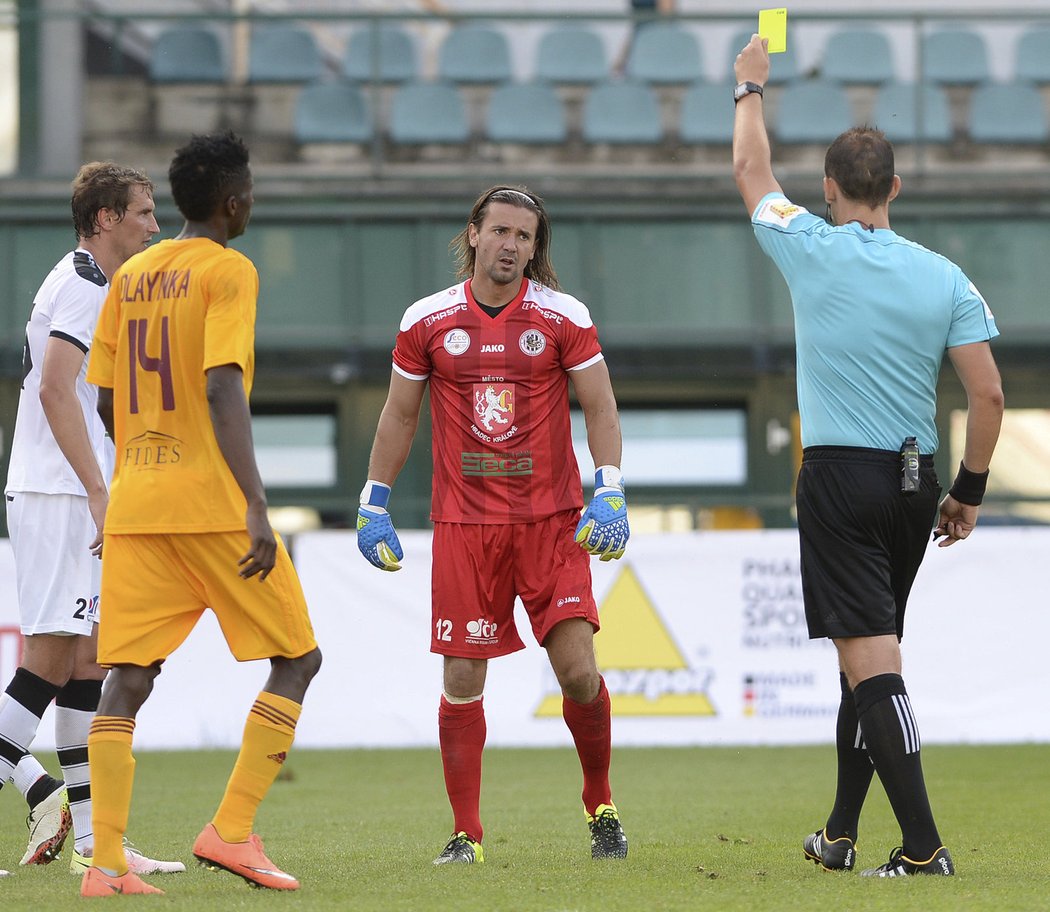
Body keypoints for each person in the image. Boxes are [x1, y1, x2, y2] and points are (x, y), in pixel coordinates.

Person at [732, 36, 1004, 877]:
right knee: (869, 655)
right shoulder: (946, 276)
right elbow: (988, 396)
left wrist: (749, 85)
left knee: (870, 663)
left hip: (841, 479)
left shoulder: (808, 244)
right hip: (918, 482)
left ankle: (923, 849)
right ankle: (841, 833)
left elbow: (750, 171)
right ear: (895, 187)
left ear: (827, 190)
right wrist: (968, 490)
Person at [356, 185, 631, 865]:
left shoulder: (563, 316)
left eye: (525, 237)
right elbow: (398, 415)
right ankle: (465, 835)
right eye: (500, 231)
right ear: (473, 234)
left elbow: (599, 407)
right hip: (465, 526)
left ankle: (600, 803)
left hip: (552, 521)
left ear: (536, 248)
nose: (511, 246)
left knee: (577, 672)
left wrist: (611, 490)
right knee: (460, 681)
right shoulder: (426, 320)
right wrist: (374, 502)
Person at [81, 131, 322, 897]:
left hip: (138, 504)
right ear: (231, 202)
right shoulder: (229, 270)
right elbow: (223, 385)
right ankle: (233, 831)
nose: (250, 202)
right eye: (248, 191)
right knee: (298, 658)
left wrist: (147, 455)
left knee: (128, 675)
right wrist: (255, 502)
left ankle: (108, 864)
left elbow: (107, 395)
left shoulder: (131, 275)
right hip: (211, 504)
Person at [2, 162, 183, 877]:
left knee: (87, 659)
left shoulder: (95, 281)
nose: (154, 223)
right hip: (57, 493)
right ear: (105, 219)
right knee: (50, 656)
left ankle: (91, 844)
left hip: (73, 492)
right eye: (143, 211)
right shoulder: (82, 282)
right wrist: (98, 491)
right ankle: (69, 821)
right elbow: (52, 389)